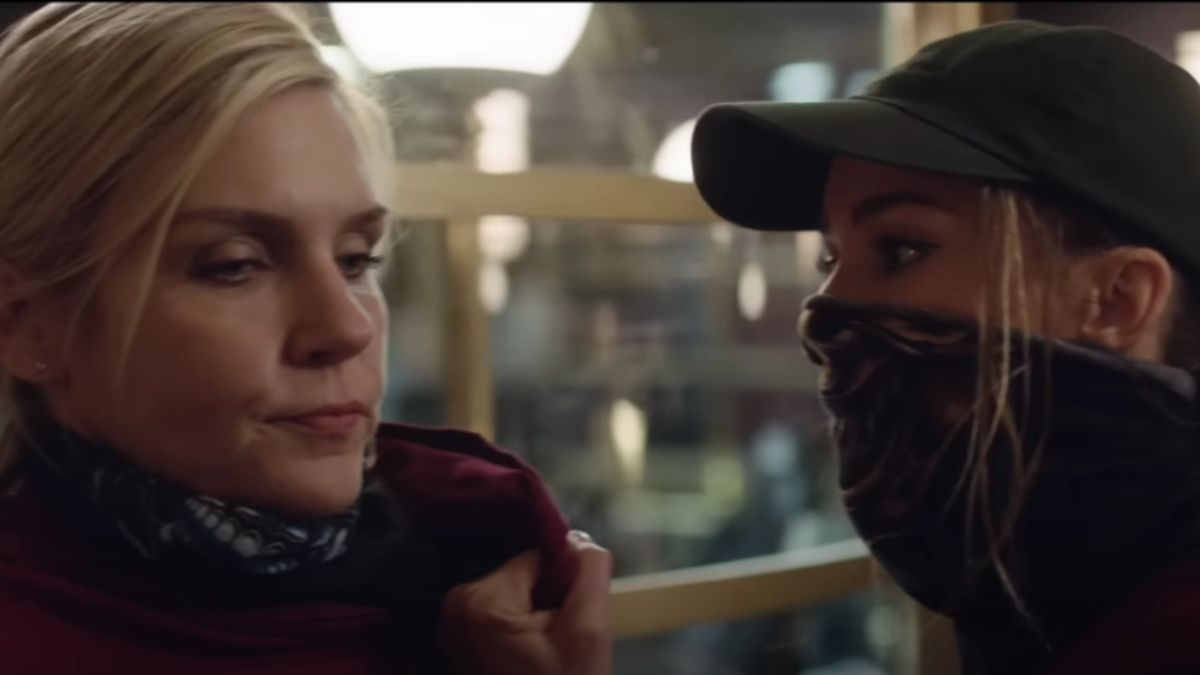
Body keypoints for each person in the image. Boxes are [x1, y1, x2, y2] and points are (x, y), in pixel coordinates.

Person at [0, 4, 612, 674]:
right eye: (233, 265)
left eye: (355, 259)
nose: (347, 328)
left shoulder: (489, 575)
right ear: (24, 321)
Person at [691, 19, 1200, 675]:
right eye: (831, 258)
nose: (823, 314)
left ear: (1117, 298)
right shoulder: (1045, 595)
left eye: (901, 250)